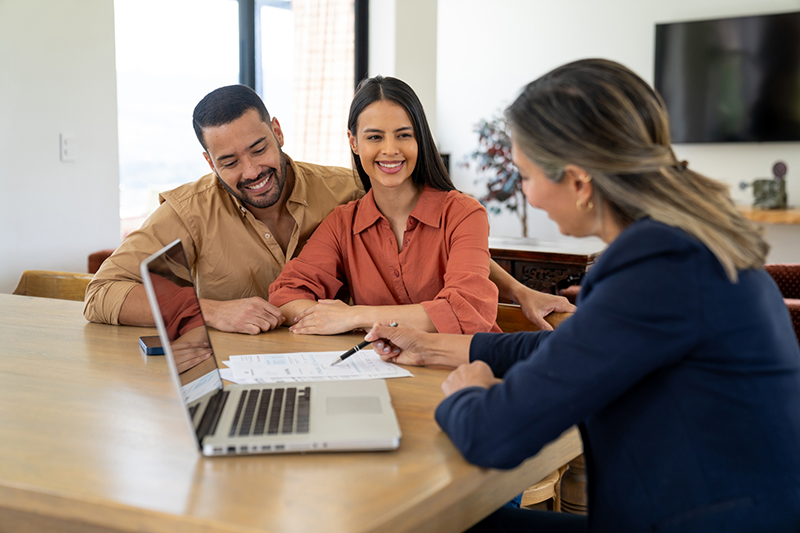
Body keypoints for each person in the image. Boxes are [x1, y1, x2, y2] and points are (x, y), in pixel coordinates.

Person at [364, 59, 800, 532]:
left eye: (526, 176)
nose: (527, 196)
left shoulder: (658, 268)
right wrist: (430, 345)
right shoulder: (680, 244)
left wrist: (467, 394)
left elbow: (493, 435)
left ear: (578, 180)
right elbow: (572, 347)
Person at [84, 84, 573, 337]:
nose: (252, 170)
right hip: (282, 366)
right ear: (209, 162)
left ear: (277, 130)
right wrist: (208, 312)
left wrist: (513, 289)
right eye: (229, 162)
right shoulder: (191, 211)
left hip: (407, 356)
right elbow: (102, 293)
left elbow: (448, 249)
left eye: (258, 148)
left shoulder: (346, 190)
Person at [270, 76, 501, 335]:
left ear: (419, 140)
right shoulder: (342, 223)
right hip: (385, 369)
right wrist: (332, 317)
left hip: (467, 368)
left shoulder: (463, 213)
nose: (390, 150)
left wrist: (354, 316)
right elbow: (285, 297)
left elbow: (467, 312)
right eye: (375, 137)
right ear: (354, 142)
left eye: (403, 135)